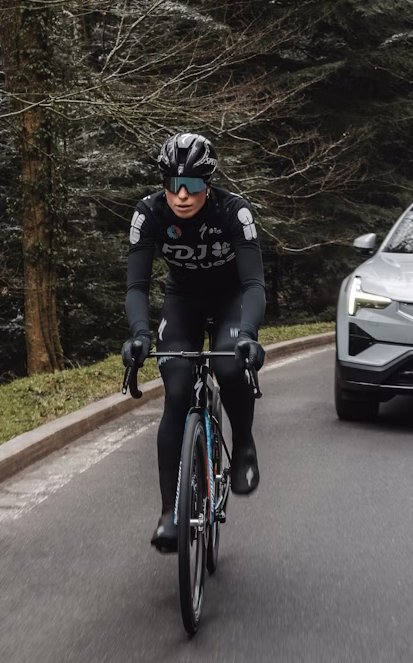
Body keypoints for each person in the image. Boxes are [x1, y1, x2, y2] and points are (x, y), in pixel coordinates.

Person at [121, 133, 267, 553]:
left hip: (231, 299)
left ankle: (243, 444)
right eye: (173, 184)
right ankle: (170, 513)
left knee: (228, 366)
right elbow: (136, 286)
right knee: (177, 391)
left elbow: (254, 284)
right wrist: (139, 334)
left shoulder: (234, 211)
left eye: (193, 185)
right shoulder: (148, 212)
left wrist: (248, 335)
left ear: (209, 183)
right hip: (182, 300)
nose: (182, 195)